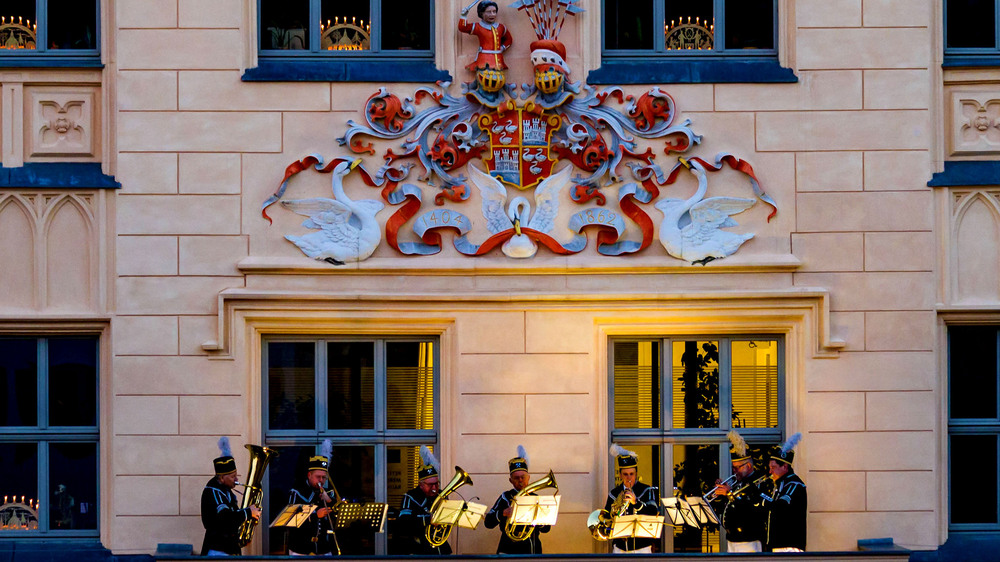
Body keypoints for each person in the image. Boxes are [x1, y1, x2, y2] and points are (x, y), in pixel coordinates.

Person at [484, 446, 550, 554]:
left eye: (523, 477)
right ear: (510, 480)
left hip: (532, 551)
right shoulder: (505, 497)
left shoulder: (536, 498)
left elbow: (546, 529)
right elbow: (488, 522)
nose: (520, 480)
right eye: (516, 478)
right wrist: (503, 513)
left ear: (528, 478)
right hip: (508, 551)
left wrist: (539, 518)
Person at [201, 437, 260, 556]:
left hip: (229, 549)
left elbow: (232, 518)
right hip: (218, 551)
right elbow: (225, 519)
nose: (237, 479)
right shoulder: (214, 491)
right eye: (233, 477)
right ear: (222, 478)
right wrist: (248, 512)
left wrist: (243, 534)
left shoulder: (226, 492)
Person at [710, 430, 766, 553]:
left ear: (749, 466)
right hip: (733, 538)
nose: (735, 471)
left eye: (738, 467)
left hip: (749, 539)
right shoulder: (737, 483)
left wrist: (729, 494)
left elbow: (752, 507)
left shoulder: (758, 482)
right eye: (733, 467)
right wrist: (721, 494)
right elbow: (731, 507)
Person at [396, 445, 452, 555]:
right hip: (419, 549)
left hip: (441, 549)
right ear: (421, 484)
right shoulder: (410, 497)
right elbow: (403, 524)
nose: (435, 488)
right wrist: (428, 519)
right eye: (430, 485)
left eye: (436, 483)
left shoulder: (441, 495)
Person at [285, 440, 338, 556]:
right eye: (318, 477)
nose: (321, 480)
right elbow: (291, 519)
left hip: (323, 548)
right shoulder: (297, 492)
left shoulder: (328, 493)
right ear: (309, 475)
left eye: (324, 477)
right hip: (300, 549)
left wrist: (328, 500)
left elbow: (337, 515)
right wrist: (315, 515)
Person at [605, 444, 660, 553]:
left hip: (642, 547)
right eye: (625, 474)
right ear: (620, 475)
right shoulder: (614, 493)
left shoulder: (647, 490)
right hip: (620, 547)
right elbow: (606, 518)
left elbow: (654, 513)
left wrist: (636, 503)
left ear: (636, 474)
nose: (629, 478)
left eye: (631, 474)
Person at [763, 432, 807, 552]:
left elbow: (779, 506)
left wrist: (760, 495)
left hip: (789, 545)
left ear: (785, 467)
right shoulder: (780, 484)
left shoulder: (794, 484)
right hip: (777, 545)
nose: (770, 471)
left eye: (773, 467)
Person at [458, 1, 512, 73]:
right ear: (481, 13)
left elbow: (509, 39)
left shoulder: (501, 27)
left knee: (498, 77)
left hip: (498, 59)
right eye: (488, 12)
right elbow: (463, 28)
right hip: (484, 59)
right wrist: (463, 16)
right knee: (484, 76)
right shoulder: (478, 27)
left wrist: (503, 47)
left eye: (494, 11)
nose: (492, 14)